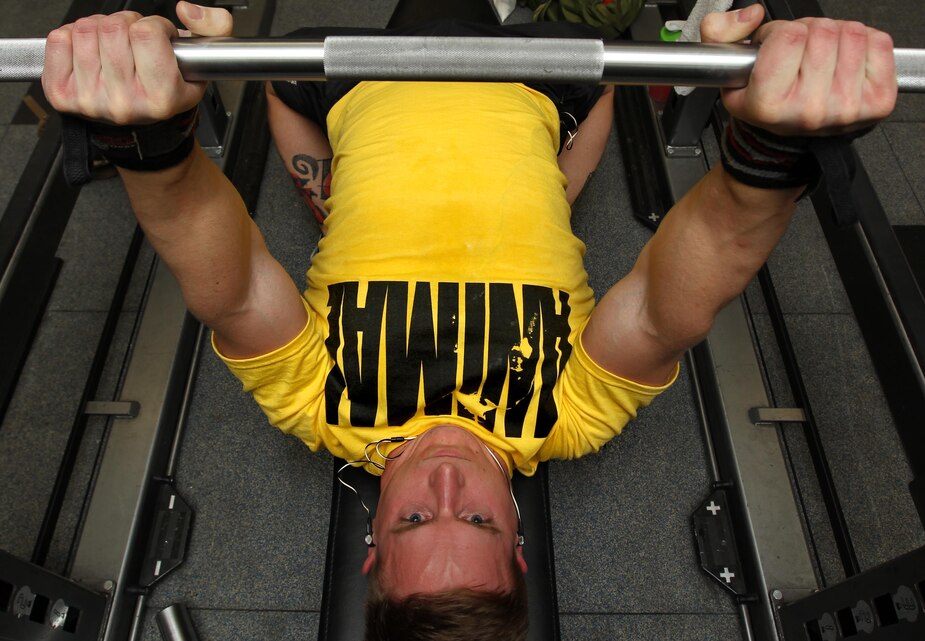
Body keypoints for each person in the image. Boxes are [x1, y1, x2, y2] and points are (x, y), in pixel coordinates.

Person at [41, 0, 897, 638]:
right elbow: (684, 285)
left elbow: (215, 271)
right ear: (518, 538)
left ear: (370, 544)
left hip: (359, 79)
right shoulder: (564, 413)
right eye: (478, 518)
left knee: (288, 61)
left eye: (414, 518)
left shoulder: (321, 405)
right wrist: (765, 157)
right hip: (533, 78)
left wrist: (153, 147)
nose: (444, 482)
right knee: (592, 31)